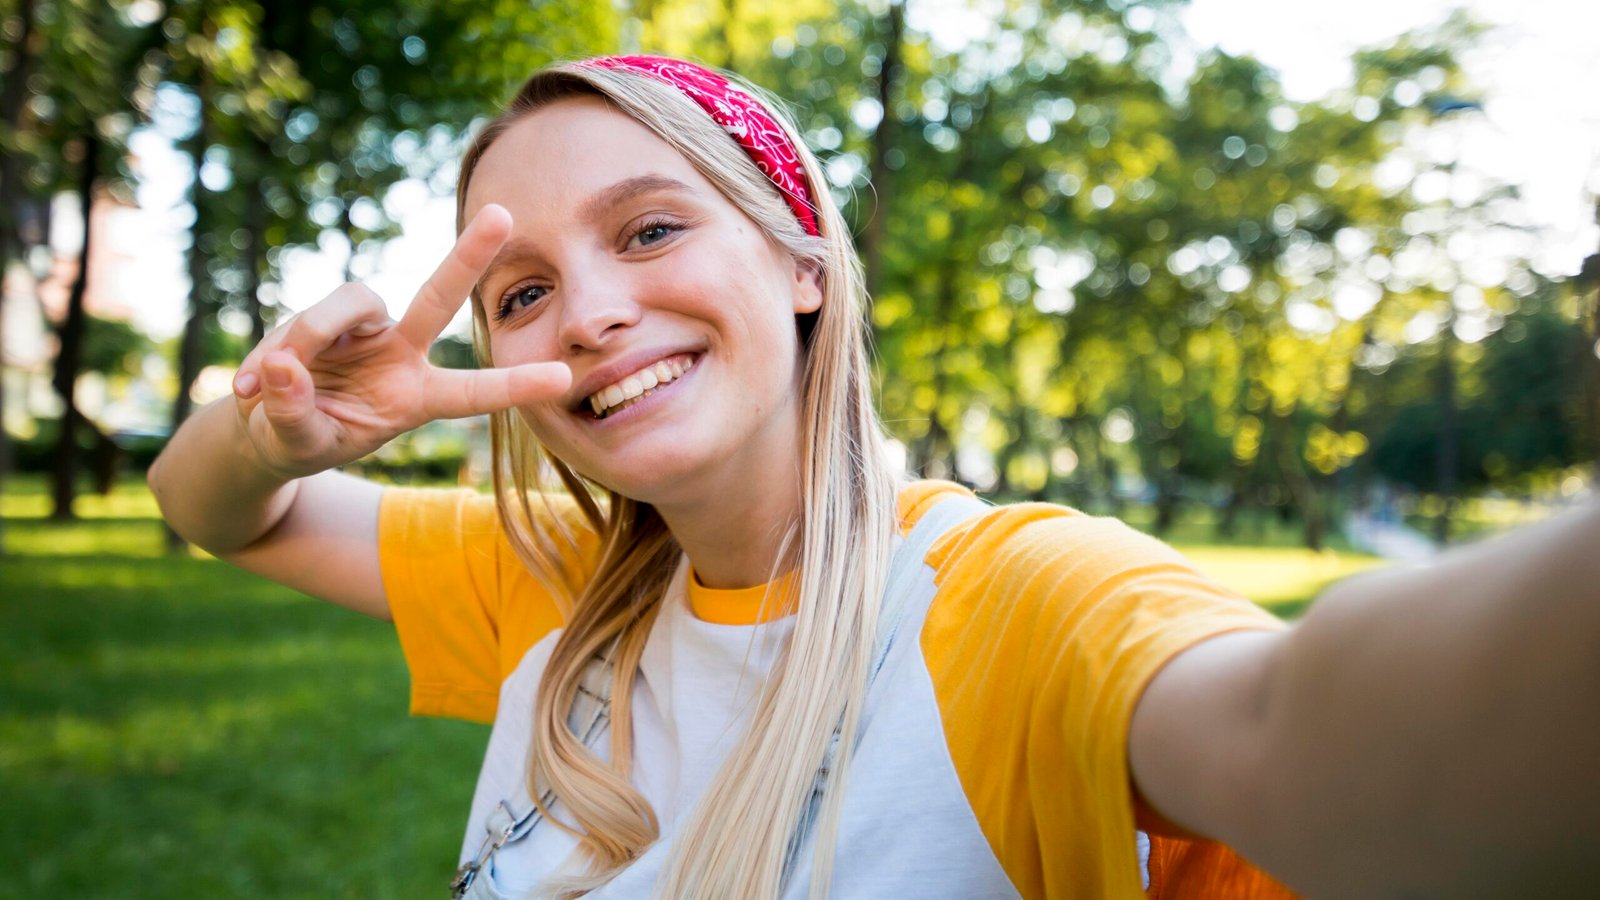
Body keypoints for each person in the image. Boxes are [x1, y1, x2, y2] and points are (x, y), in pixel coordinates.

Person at [148, 55, 1600, 899]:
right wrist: (266, 431)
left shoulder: (1009, 606)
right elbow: (216, 512)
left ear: (796, 260)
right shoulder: (556, 587)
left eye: (648, 232)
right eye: (520, 291)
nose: (585, 311)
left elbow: (1308, 736)